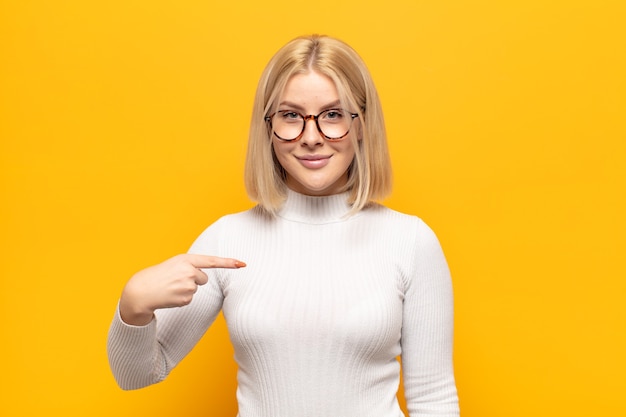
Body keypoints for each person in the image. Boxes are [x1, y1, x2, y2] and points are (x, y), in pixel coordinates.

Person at [107, 34, 460, 417]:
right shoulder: (228, 239)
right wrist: (132, 308)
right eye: (291, 116)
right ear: (268, 126)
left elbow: (433, 400)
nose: (311, 138)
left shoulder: (410, 241)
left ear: (361, 124)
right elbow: (137, 375)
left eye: (333, 115)